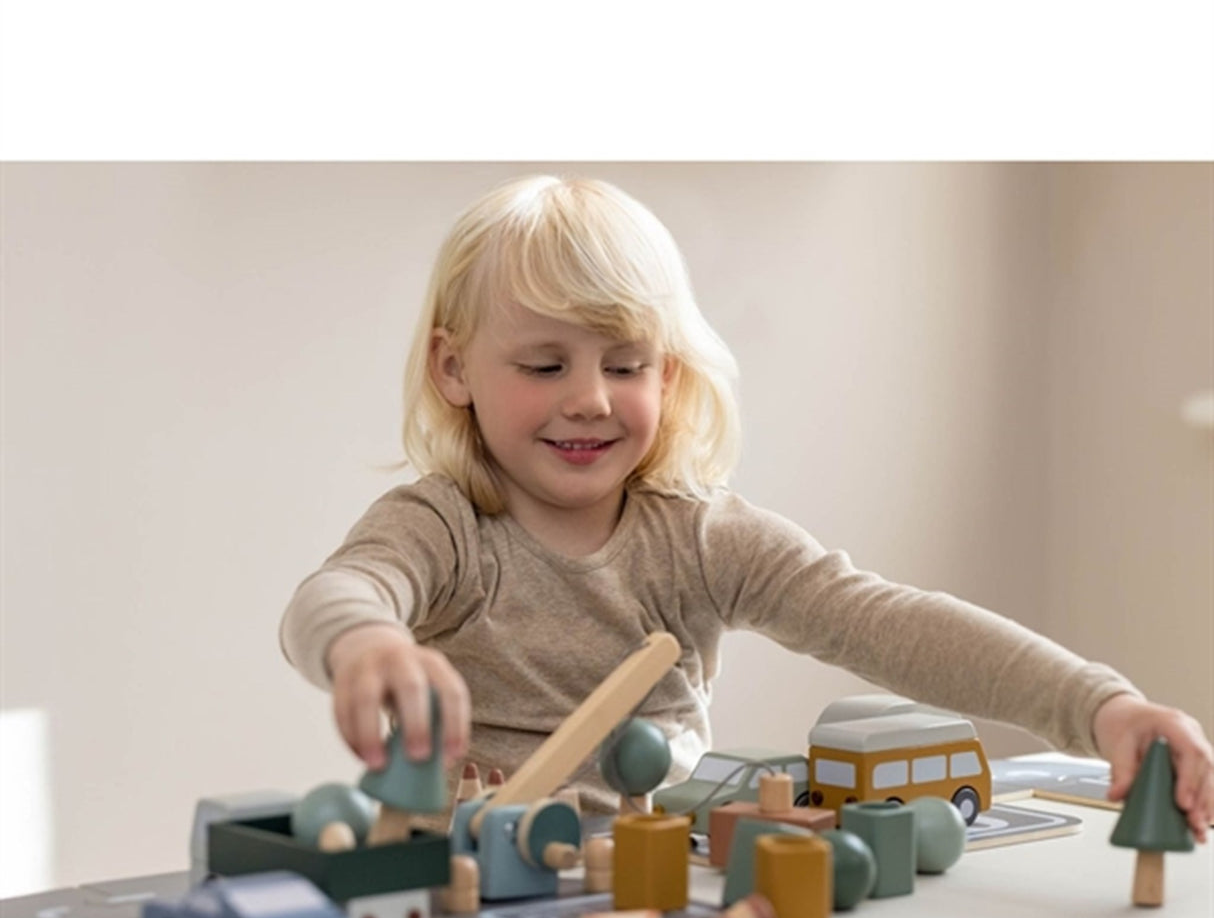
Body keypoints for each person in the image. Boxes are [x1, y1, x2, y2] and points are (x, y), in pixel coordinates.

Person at [280, 174, 1212, 838]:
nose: (591, 399)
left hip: (663, 887)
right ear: (454, 369)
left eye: (626, 365)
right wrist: (367, 643)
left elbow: (884, 622)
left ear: (668, 374)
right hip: (470, 888)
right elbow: (337, 594)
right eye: (544, 365)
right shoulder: (445, 527)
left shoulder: (697, 535)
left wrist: (1100, 707)